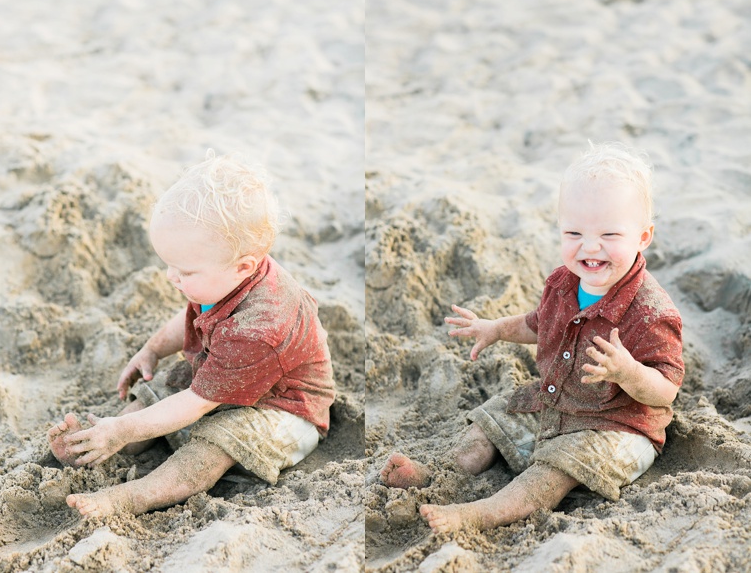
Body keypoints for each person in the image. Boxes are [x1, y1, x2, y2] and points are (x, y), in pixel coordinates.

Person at [381, 142, 684, 533]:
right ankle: (440, 473)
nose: (590, 247)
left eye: (609, 234)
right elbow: (538, 323)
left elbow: (665, 391)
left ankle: (481, 513)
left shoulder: (651, 313)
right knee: (494, 418)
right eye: (574, 232)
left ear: (643, 236)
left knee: (553, 469)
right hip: (560, 401)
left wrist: (627, 372)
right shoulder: (563, 283)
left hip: (617, 427)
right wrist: (494, 329)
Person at [48, 152, 335, 518]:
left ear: (243, 266)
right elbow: (192, 314)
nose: (171, 277)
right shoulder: (224, 277)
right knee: (156, 394)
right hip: (230, 373)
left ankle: (133, 496)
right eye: (169, 265)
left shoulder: (259, 329)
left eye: (184, 270)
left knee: (211, 448)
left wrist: (121, 428)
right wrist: (151, 350)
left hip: (284, 408)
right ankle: (93, 447)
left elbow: (195, 404)